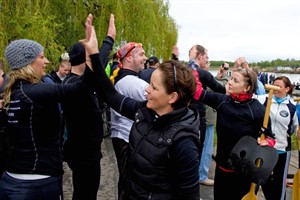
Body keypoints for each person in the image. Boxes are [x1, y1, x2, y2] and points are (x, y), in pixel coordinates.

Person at [82, 13, 201, 199]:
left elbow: (190, 195)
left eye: (153, 87)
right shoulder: (144, 112)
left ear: (172, 97)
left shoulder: (183, 143)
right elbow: (111, 95)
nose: (146, 91)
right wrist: (95, 54)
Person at [0, 37, 95, 200]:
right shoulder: (35, 92)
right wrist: (94, 54)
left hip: (11, 178)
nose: (47, 61)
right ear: (28, 62)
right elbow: (82, 87)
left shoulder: (12, 92)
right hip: (37, 184)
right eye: (41, 57)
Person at [197, 64, 276, 199]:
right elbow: (197, 93)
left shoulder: (258, 110)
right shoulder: (222, 101)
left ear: (247, 87)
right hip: (222, 168)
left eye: (235, 80)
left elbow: (270, 137)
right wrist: (194, 68)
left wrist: (266, 141)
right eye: (230, 78)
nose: (229, 82)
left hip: (244, 173)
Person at [61, 14, 115, 200]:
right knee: (85, 194)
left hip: (85, 152)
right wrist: (108, 40)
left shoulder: (76, 81)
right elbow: (96, 69)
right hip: (84, 155)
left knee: (84, 192)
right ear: (87, 58)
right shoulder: (75, 86)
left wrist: (108, 41)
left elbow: (98, 68)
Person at [109, 42, 148, 199]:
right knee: (130, 185)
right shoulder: (133, 83)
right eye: (141, 54)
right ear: (129, 58)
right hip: (127, 139)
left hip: (122, 137)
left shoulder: (125, 79)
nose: (145, 58)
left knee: (126, 182)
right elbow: (160, 100)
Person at [187, 44, 226, 186]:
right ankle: (194, 186)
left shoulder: (183, 70)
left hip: (182, 114)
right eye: (207, 57)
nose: (207, 60)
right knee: (197, 149)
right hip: (198, 115)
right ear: (200, 57)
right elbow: (220, 90)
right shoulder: (202, 74)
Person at [257, 76, 298, 200]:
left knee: (280, 182)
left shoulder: (293, 106)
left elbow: (295, 128)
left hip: (282, 149)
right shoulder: (264, 99)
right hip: (265, 147)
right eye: (274, 85)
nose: (275, 88)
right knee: (263, 178)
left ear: (287, 89)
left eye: (279, 86)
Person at [199, 62, 229, 187]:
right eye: (206, 61)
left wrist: (219, 75)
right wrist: (225, 75)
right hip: (209, 118)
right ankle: (202, 175)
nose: (209, 63)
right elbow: (222, 89)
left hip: (203, 117)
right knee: (207, 148)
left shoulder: (195, 76)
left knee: (202, 146)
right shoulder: (203, 77)